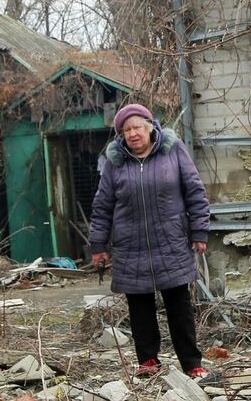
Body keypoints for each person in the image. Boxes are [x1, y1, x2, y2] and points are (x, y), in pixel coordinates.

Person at [87, 103, 212, 379]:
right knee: (140, 308)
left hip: (171, 242)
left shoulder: (172, 150)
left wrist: (199, 230)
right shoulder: (114, 162)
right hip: (131, 246)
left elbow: (194, 190)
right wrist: (98, 245)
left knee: (179, 307)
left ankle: (192, 363)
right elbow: (102, 205)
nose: (133, 134)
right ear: (121, 135)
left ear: (150, 127)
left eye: (137, 128)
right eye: (126, 130)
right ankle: (148, 362)